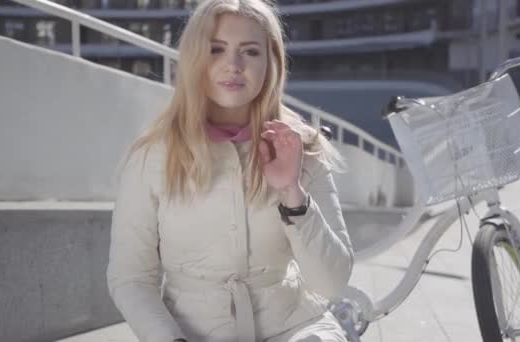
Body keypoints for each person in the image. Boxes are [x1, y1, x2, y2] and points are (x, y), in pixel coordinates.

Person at [106, 0, 354, 341]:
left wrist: (292, 194)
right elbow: (130, 277)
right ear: (195, 59)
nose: (233, 65)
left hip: (296, 327)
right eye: (216, 49)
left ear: (272, 62)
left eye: (250, 52)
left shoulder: (301, 148)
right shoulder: (152, 157)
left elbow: (332, 282)